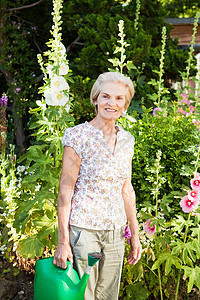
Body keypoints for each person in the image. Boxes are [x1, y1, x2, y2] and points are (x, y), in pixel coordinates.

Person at [53, 72, 142, 300]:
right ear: (95, 99)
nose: (111, 103)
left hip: (115, 232)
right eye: (106, 96)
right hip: (85, 231)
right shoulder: (77, 137)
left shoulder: (127, 140)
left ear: (125, 105)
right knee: (84, 295)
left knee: (108, 296)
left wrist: (135, 235)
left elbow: (127, 190)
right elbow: (65, 191)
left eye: (119, 99)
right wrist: (63, 242)